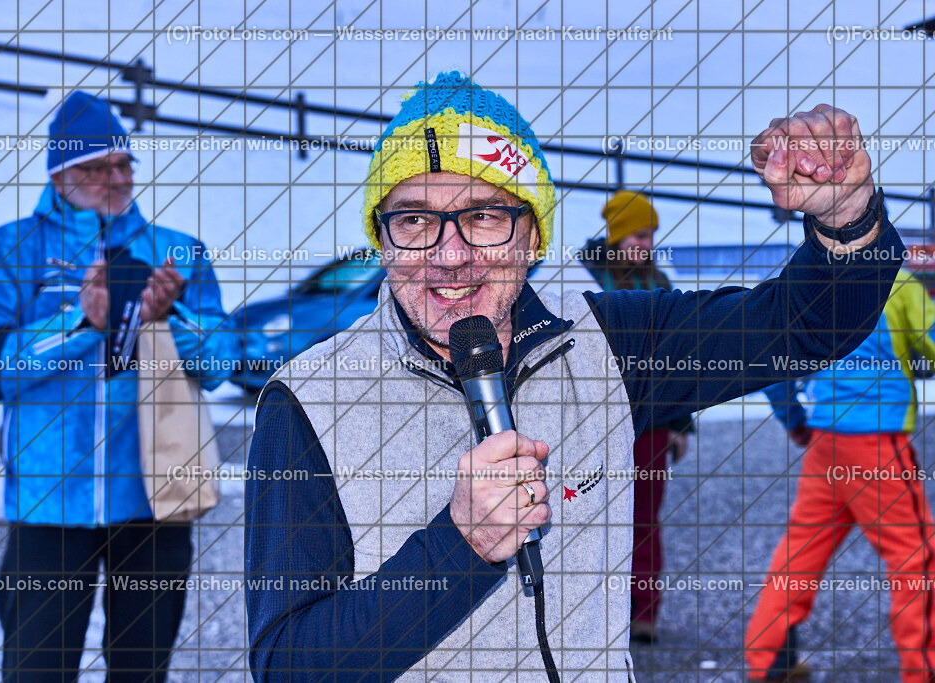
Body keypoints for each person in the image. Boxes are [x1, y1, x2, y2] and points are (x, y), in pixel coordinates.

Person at [244, 70, 902, 680]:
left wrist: (847, 220)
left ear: (533, 236)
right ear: (381, 238)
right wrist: (459, 547)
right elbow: (288, 665)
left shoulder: (604, 343)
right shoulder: (309, 401)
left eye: (483, 216)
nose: (449, 255)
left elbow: (803, 326)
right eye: (414, 219)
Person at [0, 91, 238, 681]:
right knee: (36, 670)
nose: (115, 178)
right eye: (94, 167)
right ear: (58, 175)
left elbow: (220, 363)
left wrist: (168, 317)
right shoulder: (12, 248)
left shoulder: (177, 251)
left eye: (123, 164)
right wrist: (81, 322)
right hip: (48, 502)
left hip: (155, 496)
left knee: (141, 671)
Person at [745, 269, 935, 681]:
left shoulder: (807, 280)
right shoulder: (897, 283)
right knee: (916, 558)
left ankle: (770, 661)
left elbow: (772, 360)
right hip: (877, 442)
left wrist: (793, 417)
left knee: (802, 549)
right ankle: (924, 670)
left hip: (825, 440)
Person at [577, 190, 694, 644]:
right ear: (617, 234)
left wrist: (680, 424)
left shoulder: (658, 281)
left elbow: (679, 356)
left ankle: (643, 612)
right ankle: (591, 615)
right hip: (595, 418)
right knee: (588, 516)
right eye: (638, 236)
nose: (645, 245)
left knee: (643, 518)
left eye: (650, 236)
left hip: (651, 422)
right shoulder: (584, 275)